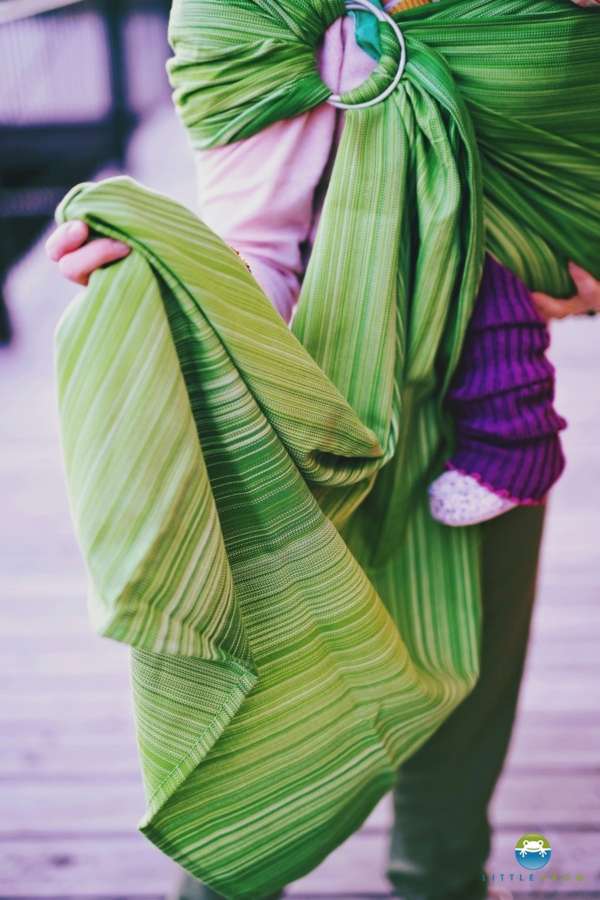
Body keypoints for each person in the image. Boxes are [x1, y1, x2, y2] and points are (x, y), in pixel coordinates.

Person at [45, 4, 599, 900]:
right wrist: (166, 281)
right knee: (255, 726)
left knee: (459, 763)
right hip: (304, 401)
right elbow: (255, 242)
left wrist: (565, 265)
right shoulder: (253, 16)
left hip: (489, 406)